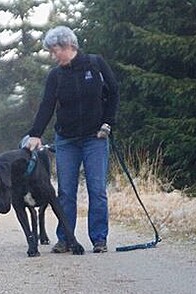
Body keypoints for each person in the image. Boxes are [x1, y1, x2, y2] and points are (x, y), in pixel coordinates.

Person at [24, 25, 119, 253]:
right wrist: (35, 134)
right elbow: (46, 106)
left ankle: (99, 239)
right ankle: (66, 238)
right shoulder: (56, 75)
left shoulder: (95, 64)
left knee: (97, 190)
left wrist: (107, 123)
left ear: (68, 46)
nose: (52, 55)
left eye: (54, 49)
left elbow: (114, 91)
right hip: (66, 140)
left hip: (95, 138)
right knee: (65, 192)